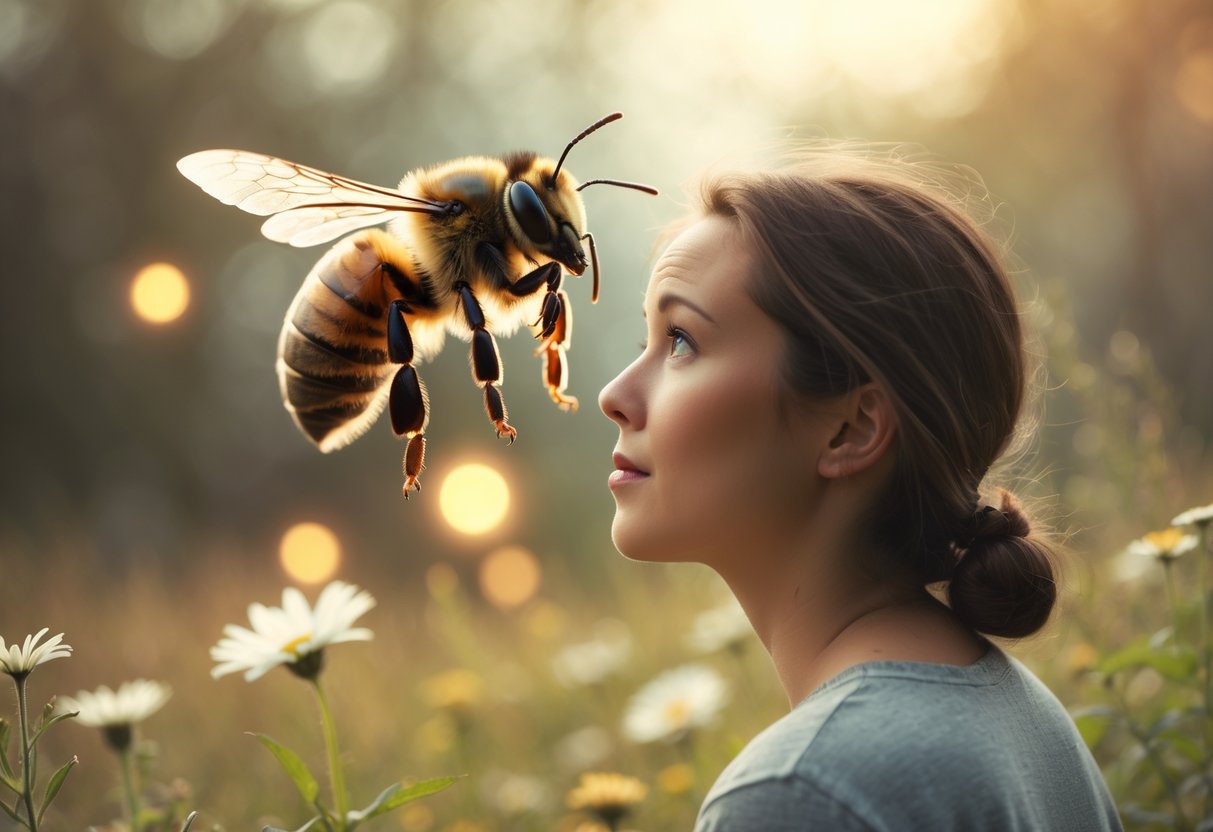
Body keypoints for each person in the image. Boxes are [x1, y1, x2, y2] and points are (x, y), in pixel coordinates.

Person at [597, 149, 1123, 831]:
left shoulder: (803, 794)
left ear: (850, 429)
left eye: (680, 341)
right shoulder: (1025, 723)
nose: (615, 395)